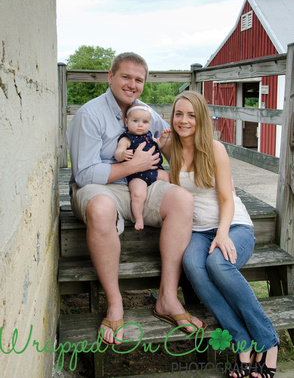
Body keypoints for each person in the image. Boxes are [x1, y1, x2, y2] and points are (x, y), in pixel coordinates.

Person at [66, 52, 205, 345]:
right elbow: (84, 174)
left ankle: (167, 298)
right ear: (111, 76)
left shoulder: (147, 113)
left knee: (182, 200)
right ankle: (115, 302)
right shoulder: (89, 115)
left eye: (138, 80)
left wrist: (167, 148)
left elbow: (166, 151)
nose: (132, 84)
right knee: (102, 208)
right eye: (126, 77)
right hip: (99, 187)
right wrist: (132, 166)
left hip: (142, 183)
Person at [165, 90, 279, 378]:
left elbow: (227, 199)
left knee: (217, 262)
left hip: (234, 225)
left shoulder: (215, 149)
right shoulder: (171, 148)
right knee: (192, 264)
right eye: (179, 114)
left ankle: (267, 341)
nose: (184, 120)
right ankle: (242, 341)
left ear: (201, 118)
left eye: (191, 115)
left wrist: (224, 234)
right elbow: (138, 125)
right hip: (199, 231)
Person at [114, 102, 170, 230]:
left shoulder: (149, 136)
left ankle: (168, 203)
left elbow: (159, 145)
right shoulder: (127, 138)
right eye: (136, 121)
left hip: (154, 170)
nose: (140, 125)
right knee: (138, 194)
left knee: (168, 177)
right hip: (137, 175)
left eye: (145, 122)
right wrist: (122, 154)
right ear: (126, 122)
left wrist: (163, 138)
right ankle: (139, 218)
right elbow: (118, 152)